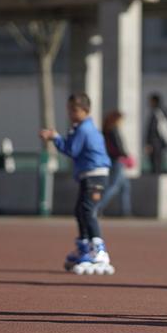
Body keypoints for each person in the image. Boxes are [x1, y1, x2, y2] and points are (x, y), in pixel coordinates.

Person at [39, 93, 114, 275]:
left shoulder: (84, 129)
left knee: (88, 210)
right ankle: (84, 246)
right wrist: (56, 137)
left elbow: (71, 150)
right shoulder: (80, 127)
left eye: (75, 110)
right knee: (80, 210)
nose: (71, 114)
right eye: (69, 110)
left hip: (95, 176)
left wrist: (55, 138)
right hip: (88, 176)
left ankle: (99, 249)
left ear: (86, 110)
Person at [99, 110, 132, 217]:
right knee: (113, 186)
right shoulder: (114, 130)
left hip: (111, 159)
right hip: (117, 160)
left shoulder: (106, 129)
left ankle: (125, 211)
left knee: (125, 186)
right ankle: (98, 207)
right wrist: (126, 155)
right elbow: (119, 146)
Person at [145, 92, 167, 174]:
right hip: (162, 141)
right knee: (159, 160)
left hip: (155, 141)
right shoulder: (164, 112)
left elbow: (152, 129)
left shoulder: (155, 113)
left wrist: (149, 143)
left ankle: (156, 177)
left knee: (155, 162)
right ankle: (158, 175)